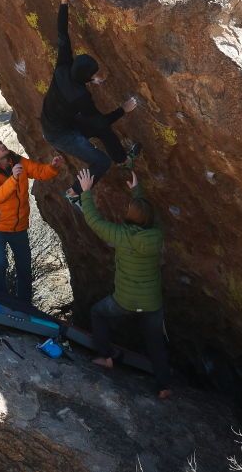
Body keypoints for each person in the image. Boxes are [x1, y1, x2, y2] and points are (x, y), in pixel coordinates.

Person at [41, 0, 140, 205]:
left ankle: (124, 160)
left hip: (56, 121)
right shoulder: (80, 97)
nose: (97, 76)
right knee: (100, 162)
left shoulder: (63, 64)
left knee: (103, 132)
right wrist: (123, 110)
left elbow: (61, 33)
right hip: (60, 135)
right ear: (87, 79)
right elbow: (101, 121)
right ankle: (74, 193)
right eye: (94, 75)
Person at [77, 167, 172, 399]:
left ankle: (107, 356)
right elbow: (149, 215)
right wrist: (137, 191)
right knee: (155, 343)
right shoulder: (157, 234)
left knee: (98, 313)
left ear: (130, 215)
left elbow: (94, 221)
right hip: (151, 302)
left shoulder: (121, 235)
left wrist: (86, 192)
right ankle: (163, 386)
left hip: (124, 300)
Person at [0, 136, 63, 303]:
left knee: (24, 268)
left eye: (1, 143)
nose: (2, 146)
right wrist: (13, 179)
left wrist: (53, 167)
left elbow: (39, 171)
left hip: (19, 227)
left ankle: (24, 306)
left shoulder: (18, 162)